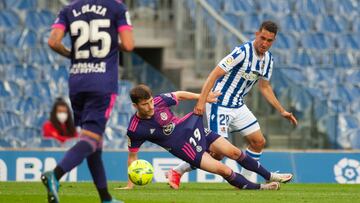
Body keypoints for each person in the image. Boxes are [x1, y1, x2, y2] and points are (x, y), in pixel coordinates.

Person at [170, 20, 298, 188]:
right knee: (217, 154)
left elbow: (265, 87)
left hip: (238, 106)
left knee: (258, 142)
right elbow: (213, 75)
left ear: (274, 41)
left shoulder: (268, 60)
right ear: (257, 34)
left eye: (269, 40)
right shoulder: (242, 52)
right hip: (219, 104)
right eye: (263, 38)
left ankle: (248, 180)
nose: (265, 43)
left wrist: (281, 110)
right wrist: (202, 101)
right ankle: (178, 171)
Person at [41, 0, 134, 202]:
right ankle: (55, 174)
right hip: (102, 83)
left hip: (77, 81)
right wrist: (108, 44)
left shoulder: (69, 9)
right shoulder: (116, 8)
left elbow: (53, 41)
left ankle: (105, 198)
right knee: (91, 139)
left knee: (94, 141)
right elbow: (128, 45)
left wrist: (71, 55)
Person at [120, 84, 292, 190]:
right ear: (135, 106)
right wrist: (130, 183)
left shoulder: (159, 101)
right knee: (224, 170)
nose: (150, 106)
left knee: (233, 152)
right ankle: (261, 188)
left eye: (150, 101)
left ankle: (270, 176)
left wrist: (204, 97)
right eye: (145, 104)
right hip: (186, 150)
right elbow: (132, 157)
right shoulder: (135, 129)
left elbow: (179, 94)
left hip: (194, 130)